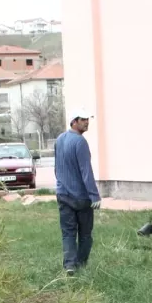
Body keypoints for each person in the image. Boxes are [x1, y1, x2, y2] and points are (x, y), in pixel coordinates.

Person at [53, 108, 101, 275]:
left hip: (63, 194)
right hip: (81, 197)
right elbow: (86, 170)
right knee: (85, 234)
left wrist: (59, 186)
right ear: (74, 121)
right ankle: (80, 264)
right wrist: (94, 195)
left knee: (68, 233)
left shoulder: (59, 139)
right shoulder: (80, 142)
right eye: (83, 119)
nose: (87, 122)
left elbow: (57, 167)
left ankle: (69, 265)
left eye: (88, 119)